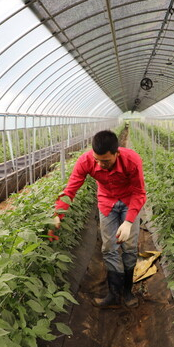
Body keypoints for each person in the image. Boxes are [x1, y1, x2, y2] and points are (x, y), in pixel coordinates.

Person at [48, 130, 146, 309]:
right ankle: (114, 294)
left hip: (128, 202)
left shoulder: (132, 160)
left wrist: (129, 221)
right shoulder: (86, 161)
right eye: (97, 160)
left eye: (106, 161)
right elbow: (70, 190)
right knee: (109, 247)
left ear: (117, 153)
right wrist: (57, 215)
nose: (100, 165)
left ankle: (127, 291)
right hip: (106, 203)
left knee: (130, 246)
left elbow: (139, 193)